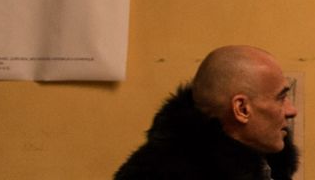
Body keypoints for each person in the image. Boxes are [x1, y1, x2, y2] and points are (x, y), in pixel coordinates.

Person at [114, 45, 299, 180]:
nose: (292, 110)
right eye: (280, 98)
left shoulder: (266, 165)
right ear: (241, 109)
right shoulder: (157, 173)